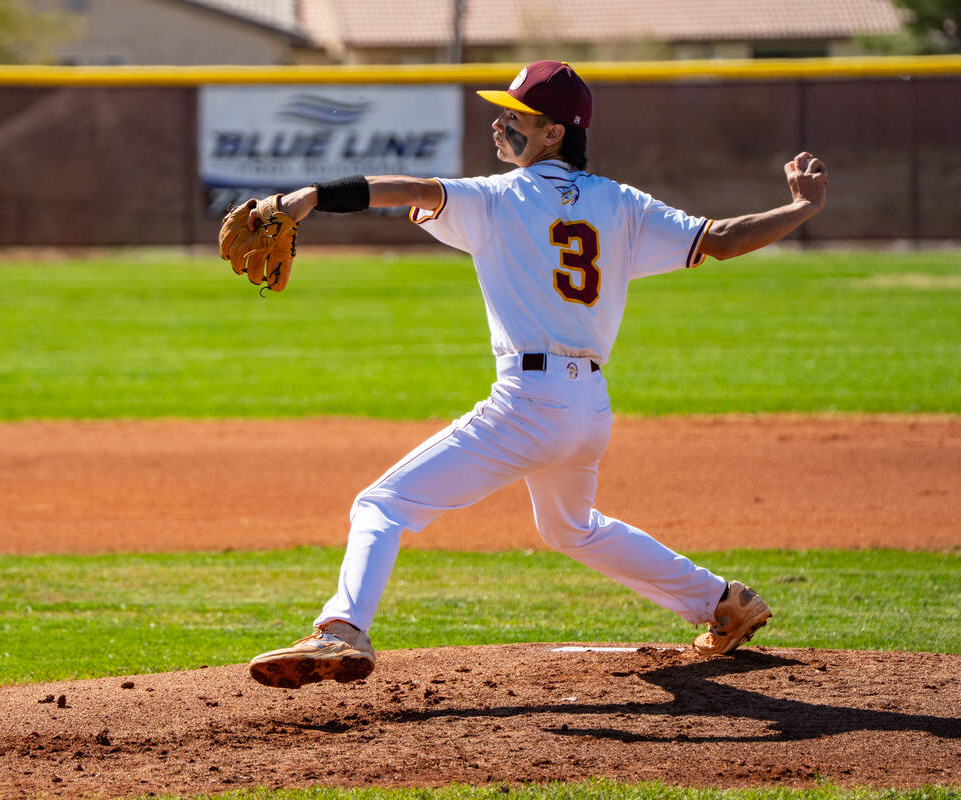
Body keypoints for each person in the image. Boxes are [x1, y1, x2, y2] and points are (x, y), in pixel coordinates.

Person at [245, 60, 828, 689]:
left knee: (383, 504)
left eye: (515, 116)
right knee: (569, 527)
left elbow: (411, 190)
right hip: (589, 407)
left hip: (529, 403)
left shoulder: (497, 198)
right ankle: (721, 602)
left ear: (554, 133)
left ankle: (341, 629)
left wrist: (306, 198)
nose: (499, 124)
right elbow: (721, 239)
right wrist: (802, 206)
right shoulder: (621, 202)